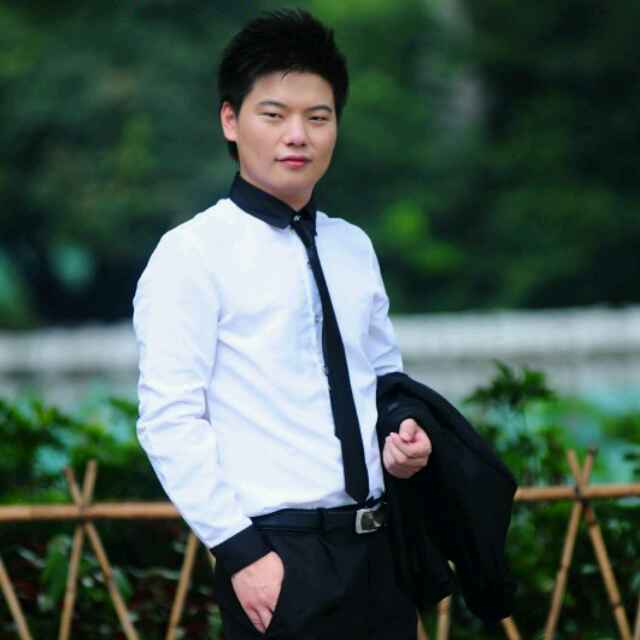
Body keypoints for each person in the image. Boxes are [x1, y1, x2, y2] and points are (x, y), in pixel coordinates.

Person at [132, 9, 432, 639]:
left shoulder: (353, 246)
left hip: (378, 550)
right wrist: (241, 553)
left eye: (317, 117)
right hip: (279, 554)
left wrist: (402, 436)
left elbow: (384, 379)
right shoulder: (191, 253)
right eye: (273, 114)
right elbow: (169, 419)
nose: (297, 135)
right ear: (230, 120)